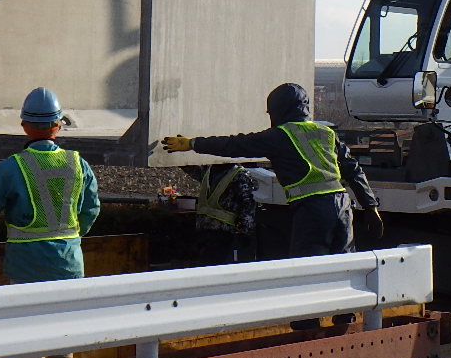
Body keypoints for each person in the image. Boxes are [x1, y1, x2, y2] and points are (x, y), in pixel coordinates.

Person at [163, 82, 383, 328]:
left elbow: (234, 145)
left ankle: (307, 325)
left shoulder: (280, 136)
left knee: (308, 268)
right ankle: (346, 320)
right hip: (343, 206)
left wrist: (192, 144)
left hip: (312, 209)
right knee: (344, 265)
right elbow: (353, 169)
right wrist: (371, 206)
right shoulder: (325, 132)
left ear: (278, 110)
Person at [0, 86, 99, 358]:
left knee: (29, 334)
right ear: (58, 125)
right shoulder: (78, 163)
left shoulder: (12, 167)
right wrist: (71, 239)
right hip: (69, 263)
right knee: (64, 334)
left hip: (26, 264)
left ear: (24, 125)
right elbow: (90, 210)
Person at [182, 163, 257, 265]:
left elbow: (248, 203)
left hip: (225, 234)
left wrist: (245, 231)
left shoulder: (239, 175)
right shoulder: (208, 171)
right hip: (204, 232)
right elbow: (189, 166)